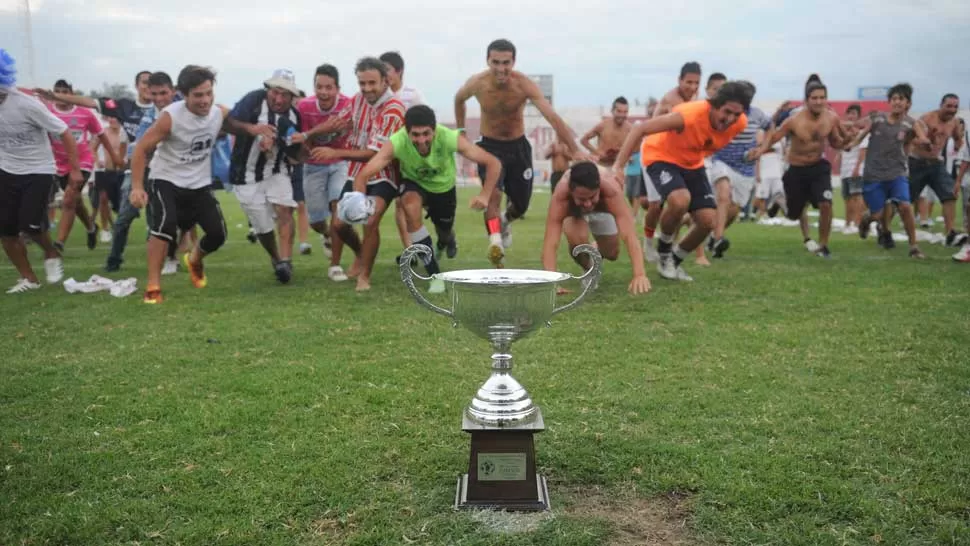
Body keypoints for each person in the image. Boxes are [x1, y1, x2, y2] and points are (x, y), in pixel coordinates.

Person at [455, 39, 585, 267]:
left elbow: (552, 117)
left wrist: (574, 150)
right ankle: (495, 242)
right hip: (489, 147)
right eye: (496, 62)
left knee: (521, 205)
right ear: (488, 61)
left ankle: (505, 222)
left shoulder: (523, 85)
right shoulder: (477, 83)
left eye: (506, 62)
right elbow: (459, 99)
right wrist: (461, 131)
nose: (501, 68)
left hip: (518, 148)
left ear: (513, 62)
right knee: (493, 196)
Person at [613, 81, 752, 282]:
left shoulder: (740, 123)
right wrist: (618, 166)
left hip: (692, 162)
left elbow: (706, 142)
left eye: (736, 114)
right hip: (660, 156)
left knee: (707, 221)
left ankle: (673, 261)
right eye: (726, 112)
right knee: (679, 200)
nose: (730, 119)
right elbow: (640, 129)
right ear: (714, 105)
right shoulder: (688, 116)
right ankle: (664, 248)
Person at [351, 105, 500, 292]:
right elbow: (364, 174)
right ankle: (434, 276)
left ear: (435, 130)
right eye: (415, 135)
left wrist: (485, 196)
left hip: (443, 190)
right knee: (409, 206)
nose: (421, 140)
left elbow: (493, 163)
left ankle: (446, 240)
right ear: (407, 132)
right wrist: (358, 201)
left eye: (426, 134)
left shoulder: (449, 138)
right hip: (414, 184)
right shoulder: (397, 141)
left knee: (444, 232)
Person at [128, 65, 231, 304]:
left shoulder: (218, 112)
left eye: (208, 93)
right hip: (166, 178)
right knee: (165, 226)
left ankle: (194, 259)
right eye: (198, 95)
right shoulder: (170, 117)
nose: (205, 100)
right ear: (184, 95)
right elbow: (142, 149)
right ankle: (153, 285)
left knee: (218, 234)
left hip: (199, 183)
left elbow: (235, 122)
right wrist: (136, 186)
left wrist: (257, 130)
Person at [35, 70, 154, 272]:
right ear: (137, 85)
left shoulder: (168, 105)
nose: (149, 86)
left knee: (160, 217)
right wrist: (54, 96)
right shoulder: (124, 106)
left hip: (164, 168)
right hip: (135, 170)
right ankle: (113, 258)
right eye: (144, 82)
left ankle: (168, 257)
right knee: (123, 216)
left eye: (153, 83)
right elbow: (89, 101)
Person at [313, 57, 406, 292]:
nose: (366, 89)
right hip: (356, 174)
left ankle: (364, 276)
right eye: (362, 83)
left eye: (372, 83)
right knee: (338, 225)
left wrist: (335, 152)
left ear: (385, 81)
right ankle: (359, 253)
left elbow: (374, 154)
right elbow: (339, 122)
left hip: (383, 175)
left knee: (370, 221)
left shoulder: (394, 109)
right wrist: (309, 136)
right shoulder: (357, 101)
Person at [0, 49, 81, 293]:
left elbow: (64, 131)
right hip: (6, 169)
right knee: (6, 229)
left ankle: (51, 251)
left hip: (38, 170)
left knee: (31, 225)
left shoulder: (25, 104)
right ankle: (29, 279)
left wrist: (75, 170)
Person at [749, 81, 848, 258]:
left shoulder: (832, 118)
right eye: (814, 98)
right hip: (796, 170)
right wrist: (759, 150)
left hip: (818, 167)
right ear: (807, 100)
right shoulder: (794, 121)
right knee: (793, 215)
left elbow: (836, 141)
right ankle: (779, 202)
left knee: (826, 204)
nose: (819, 101)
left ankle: (823, 245)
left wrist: (846, 142)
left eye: (822, 97)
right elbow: (774, 138)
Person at [225, 69, 303, 284]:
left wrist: (292, 143)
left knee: (285, 209)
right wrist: (252, 129)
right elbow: (228, 124)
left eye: (285, 95)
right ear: (268, 90)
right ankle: (276, 258)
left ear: (292, 97)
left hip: (276, 170)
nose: (279, 99)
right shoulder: (253, 100)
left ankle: (286, 261)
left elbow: (297, 153)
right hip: (246, 174)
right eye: (275, 93)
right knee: (263, 226)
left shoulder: (295, 116)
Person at [845, 83, 929, 258]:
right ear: (889, 101)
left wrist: (924, 143)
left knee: (905, 206)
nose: (898, 102)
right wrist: (850, 145)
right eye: (895, 98)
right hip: (873, 175)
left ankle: (914, 247)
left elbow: (923, 139)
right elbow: (860, 136)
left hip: (897, 173)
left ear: (908, 103)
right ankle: (867, 219)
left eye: (902, 99)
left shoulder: (911, 123)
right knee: (879, 214)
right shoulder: (877, 119)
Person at [641, 66, 714, 266]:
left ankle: (678, 248)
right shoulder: (673, 100)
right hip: (654, 152)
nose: (692, 86)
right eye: (688, 82)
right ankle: (648, 243)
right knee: (656, 205)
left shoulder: (695, 101)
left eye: (696, 83)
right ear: (679, 80)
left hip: (676, 155)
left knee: (686, 203)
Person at [542, 161, 650, 295]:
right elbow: (551, 243)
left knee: (612, 253)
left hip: (602, 208)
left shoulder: (612, 192)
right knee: (577, 242)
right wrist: (552, 283)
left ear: (599, 188)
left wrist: (639, 274)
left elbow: (629, 235)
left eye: (592, 197)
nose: (587, 204)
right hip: (575, 212)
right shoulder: (561, 197)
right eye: (582, 199)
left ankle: (595, 250)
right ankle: (588, 269)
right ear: (571, 191)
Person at [42, 79, 124, 252]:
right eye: (57, 91)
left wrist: (115, 157)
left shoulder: (84, 113)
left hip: (82, 162)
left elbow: (101, 135)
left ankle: (59, 243)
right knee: (76, 201)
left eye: (65, 91)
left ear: (71, 94)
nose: (61, 95)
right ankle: (91, 227)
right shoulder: (46, 112)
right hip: (58, 164)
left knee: (69, 200)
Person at [291, 64, 353, 281]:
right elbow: (300, 137)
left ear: (338, 88)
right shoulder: (304, 107)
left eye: (329, 87)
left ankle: (335, 266)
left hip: (341, 163)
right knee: (316, 220)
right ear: (313, 87)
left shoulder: (348, 105)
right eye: (319, 87)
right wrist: (303, 147)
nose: (324, 92)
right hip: (313, 165)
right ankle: (326, 235)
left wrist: (313, 134)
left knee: (338, 210)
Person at [706, 82, 772, 257]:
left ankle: (706, 232)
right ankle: (719, 239)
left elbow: (770, 127)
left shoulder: (757, 115)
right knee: (723, 194)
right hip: (721, 161)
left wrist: (762, 148)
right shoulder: (727, 112)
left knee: (733, 211)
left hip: (745, 168)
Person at [380, 51, 426, 262]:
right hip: (389, 155)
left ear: (399, 71)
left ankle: (424, 242)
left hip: (410, 155)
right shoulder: (380, 97)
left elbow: (425, 121)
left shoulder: (412, 94)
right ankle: (410, 249)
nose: (385, 74)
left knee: (409, 202)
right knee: (399, 203)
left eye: (387, 69)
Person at [908, 93, 966, 247]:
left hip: (936, 165)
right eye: (949, 106)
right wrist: (924, 141)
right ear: (941, 105)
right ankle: (884, 229)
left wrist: (959, 143)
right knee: (903, 200)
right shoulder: (927, 118)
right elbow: (911, 138)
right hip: (916, 163)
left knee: (950, 194)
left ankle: (950, 233)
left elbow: (958, 138)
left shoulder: (953, 122)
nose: (952, 110)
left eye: (955, 106)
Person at [91, 116, 128, 243]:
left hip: (122, 172)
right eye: (111, 117)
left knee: (121, 203)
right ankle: (105, 230)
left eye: (116, 117)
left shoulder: (126, 132)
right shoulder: (103, 132)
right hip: (105, 171)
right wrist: (97, 161)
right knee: (103, 199)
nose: (113, 120)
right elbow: (92, 148)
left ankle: (120, 227)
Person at [838, 103, 868, 234]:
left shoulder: (863, 133)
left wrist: (857, 168)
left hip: (857, 169)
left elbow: (863, 151)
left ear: (859, 117)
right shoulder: (844, 133)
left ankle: (858, 223)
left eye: (854, 114)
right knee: (847, 198)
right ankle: (848, 223)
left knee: (857, 196)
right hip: (845, 170)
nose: (851, 116)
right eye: (849, 113)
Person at [580, 97, 632, 168]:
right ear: (612, 111)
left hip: (619, 168)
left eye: (625, 112)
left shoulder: (630, 128)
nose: (622, 115)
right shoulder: (603, 125)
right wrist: (597, 152)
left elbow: (636, 147)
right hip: (602, 166)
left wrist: (628, 155)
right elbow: (583, 140)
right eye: (619, 111)